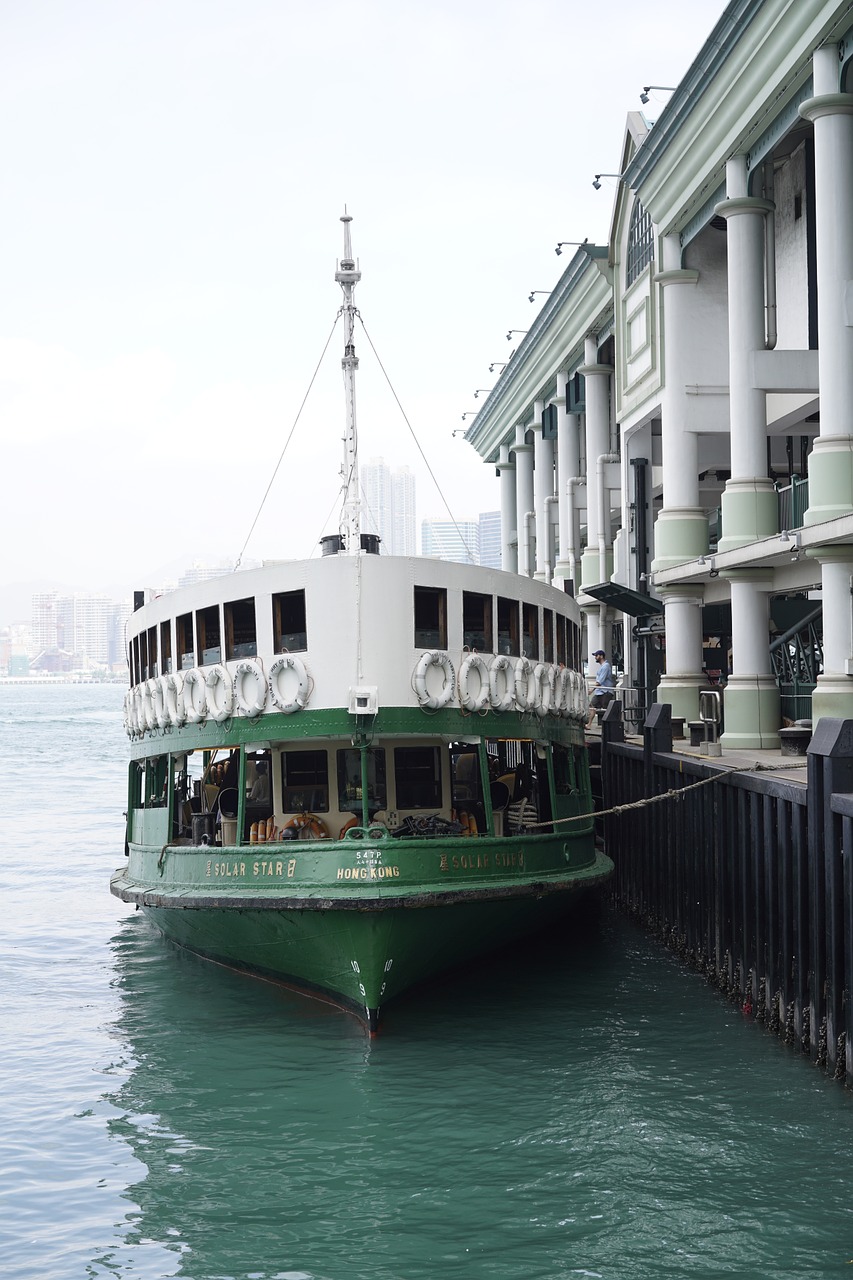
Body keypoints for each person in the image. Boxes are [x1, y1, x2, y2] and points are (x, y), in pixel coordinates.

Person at [587, 650, 616, 727]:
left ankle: (610, 726)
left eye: (596, 656)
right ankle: (589, 724)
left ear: (601, 656)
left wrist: (591, 690)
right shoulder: (602, 667)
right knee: (592, 706)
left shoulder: (606, 666)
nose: (595, 658)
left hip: (606, 691)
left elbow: (600, 681)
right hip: (599, 692)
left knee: (606, 709)